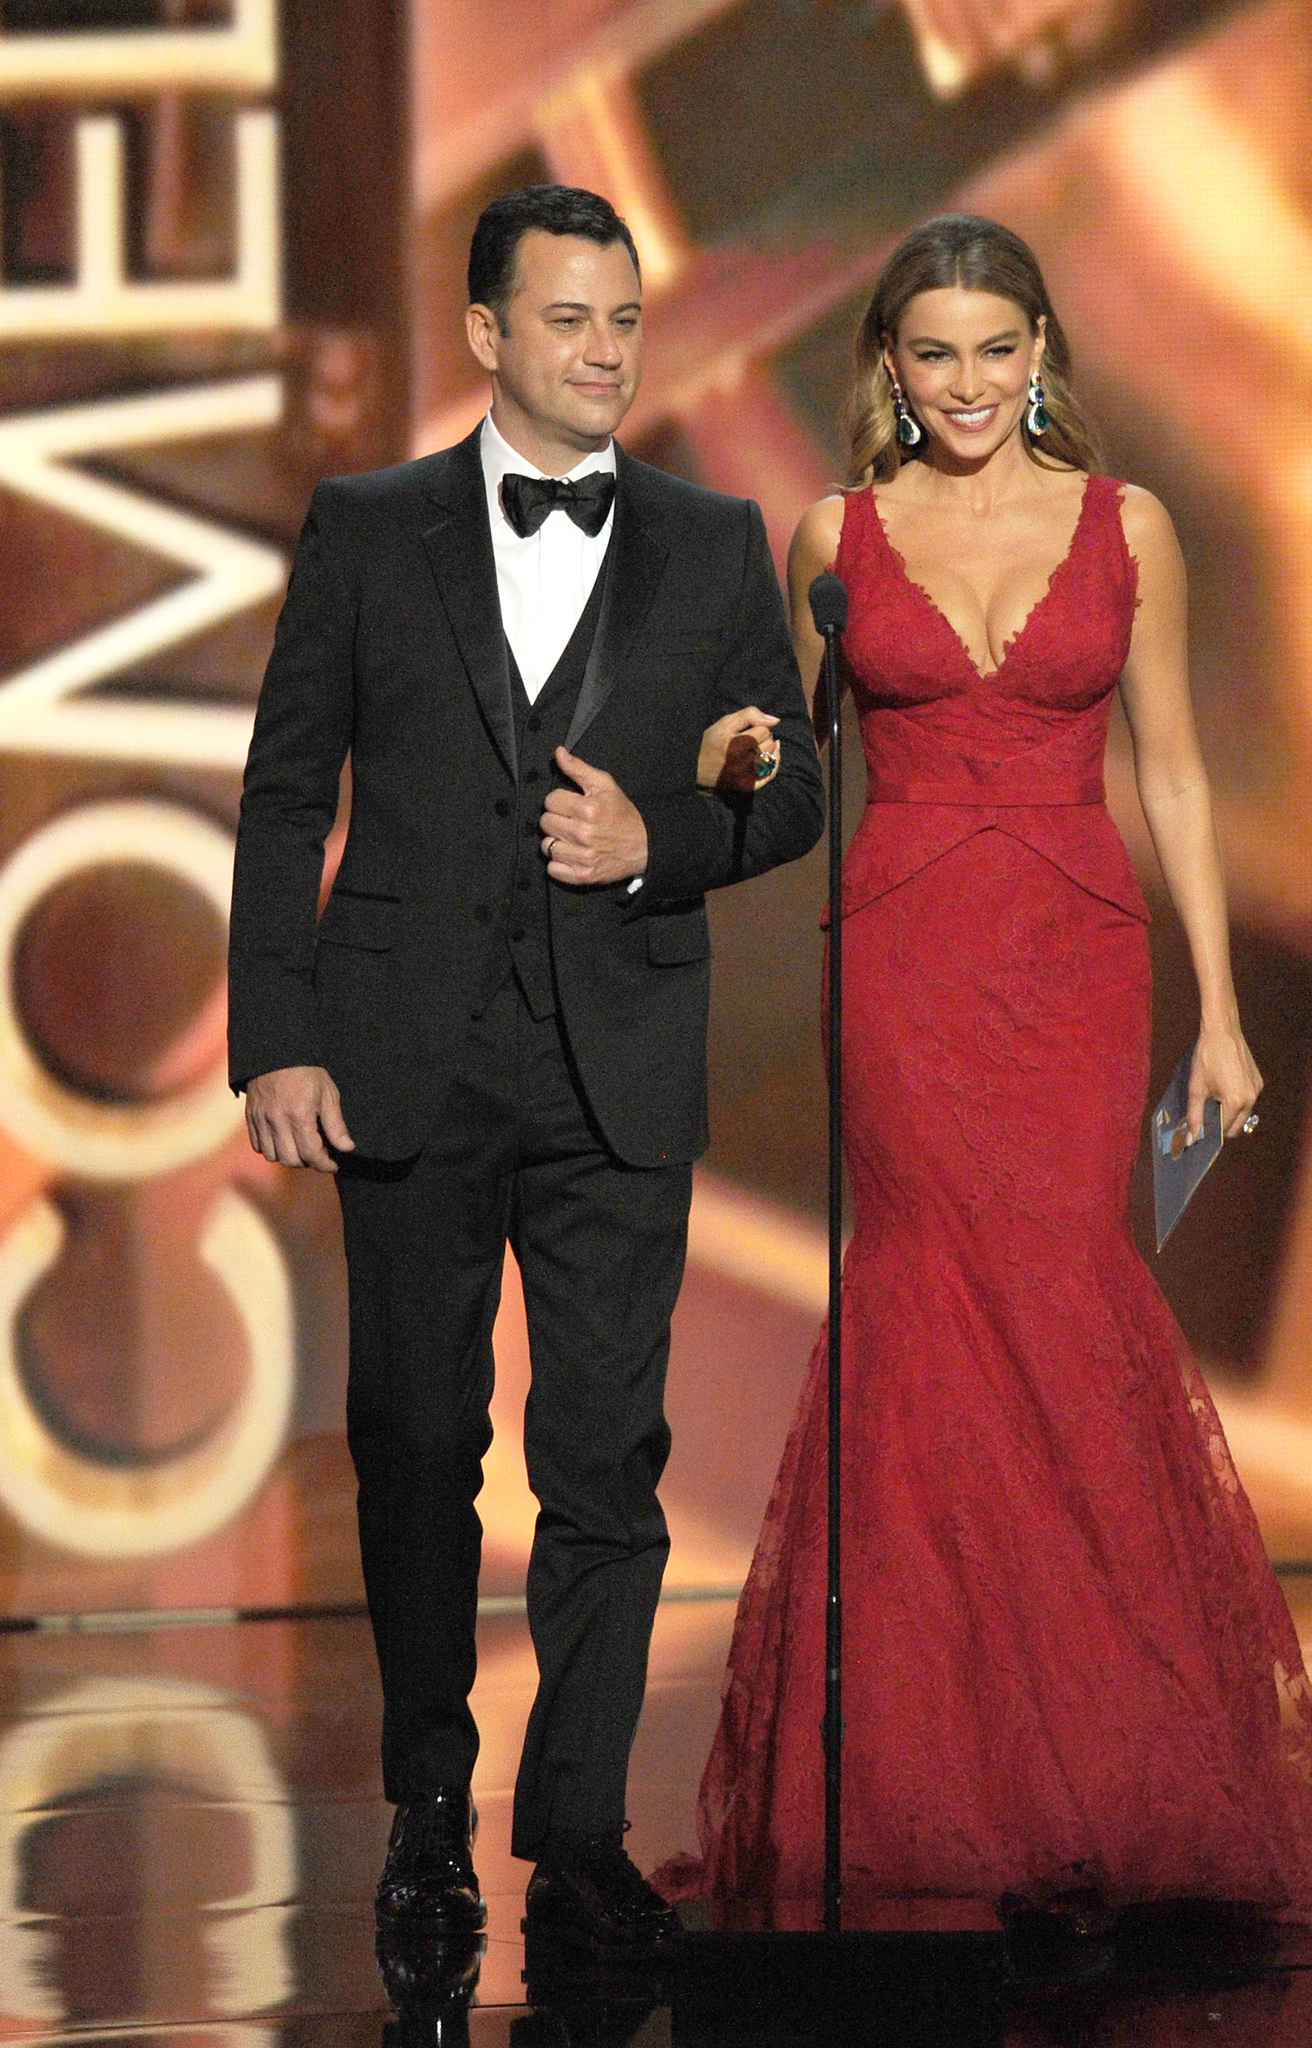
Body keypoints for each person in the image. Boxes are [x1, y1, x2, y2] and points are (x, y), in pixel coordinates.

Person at [683, 214, 1312, 1933]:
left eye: (999, 350)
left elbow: (1182, 781)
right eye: (937, 354)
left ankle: (1114, 1767)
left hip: (1075, 955)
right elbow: (787, 756)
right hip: (910, 954)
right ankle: (935, 1788)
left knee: (1066, 1303)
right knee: (931, 1314)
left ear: (1042, 354)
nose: (971, 384)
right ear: (892, 371)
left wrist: (1221, 1013)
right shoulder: (836, 534)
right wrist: (729, 751)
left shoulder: (1125, 526)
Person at [227, 183, 823, 1954]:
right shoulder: (367, 524)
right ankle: (428, 1809)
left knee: (605, 1463)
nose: (606, 352)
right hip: (403, 1053)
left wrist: (660, 838)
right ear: (487, 334)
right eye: (569, 320)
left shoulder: (716, 544)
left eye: (625, 321)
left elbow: (785, 787)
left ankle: (575, 1833)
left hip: (616, 1062)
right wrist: (277, 1036)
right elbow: (283, 791)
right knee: (415, 1442)